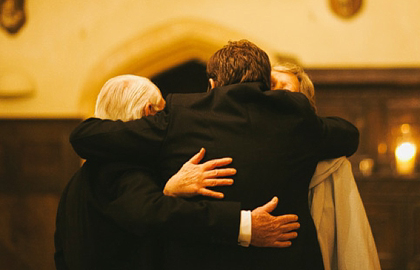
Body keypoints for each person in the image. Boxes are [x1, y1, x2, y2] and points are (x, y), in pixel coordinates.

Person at [68, 40, 360, 270]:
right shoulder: (296, 119)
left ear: (211, 84)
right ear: (264, 85)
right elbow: (348, 135)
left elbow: (85, 136)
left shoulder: (181, 115)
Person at [55, 74, 298, 270]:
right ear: (148, 112)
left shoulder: (75, 182)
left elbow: (65, 252)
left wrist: (166, 191)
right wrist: (245, 226)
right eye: (163, 112)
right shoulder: (122, 169)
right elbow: (155, 215)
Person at [272, 63, 381, 270]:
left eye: (285, 88)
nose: (275, 93)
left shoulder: (325, 152)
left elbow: (348, 134)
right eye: (270, 85)